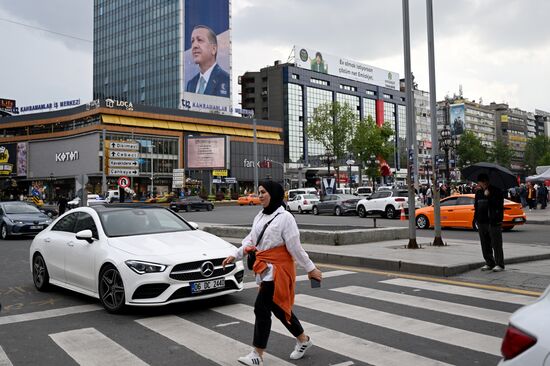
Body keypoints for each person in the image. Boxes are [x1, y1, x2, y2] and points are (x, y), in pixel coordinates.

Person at [222, 181, 322, 366]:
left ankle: (257, 354)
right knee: (278, 308)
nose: (260, 196)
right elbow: (250, 240)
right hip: (264, 268)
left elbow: (295, 248)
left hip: (279, 270)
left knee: (261, 308)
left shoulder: (285, 218)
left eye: (263, 192)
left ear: (274, 194)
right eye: (259, 192)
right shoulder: (260, 216)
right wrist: (234, 255)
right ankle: (303, 340)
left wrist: (311, 268)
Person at [185, 25, 230, 97]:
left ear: (213, 49)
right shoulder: (190, 84)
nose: (194, 46)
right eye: (192, 41)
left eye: (200, 40)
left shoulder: (226, 80)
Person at [474, 174, 505, 272]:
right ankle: (489, 262)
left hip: (493, 221)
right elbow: (476, 206)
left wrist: (489, 195)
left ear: (487, 181)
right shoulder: (478, 192)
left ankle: (499, 264)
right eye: (481, 182)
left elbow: (499, 205)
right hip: (482, 221)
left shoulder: (496, 191)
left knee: (496, 244)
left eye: (484, 181)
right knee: (485, 243)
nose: (483, 184)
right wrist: (476, 219)